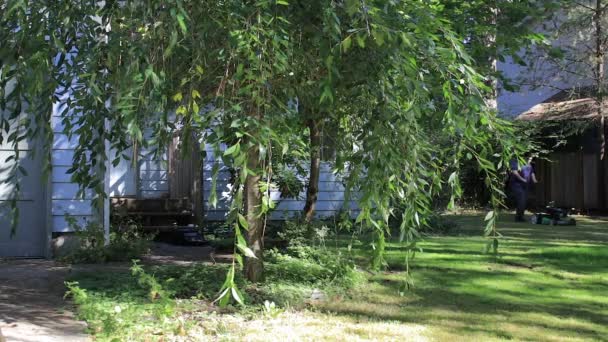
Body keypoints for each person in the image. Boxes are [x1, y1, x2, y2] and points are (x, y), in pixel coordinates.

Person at [508, 153, 538, 222]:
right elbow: (515, 172)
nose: (529, 160)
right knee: (521, 200)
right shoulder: (517, 163)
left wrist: (535, 180)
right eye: (528, 158)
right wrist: (522, 179)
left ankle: (520, 217)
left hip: (525, 186)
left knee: (524, 201)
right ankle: (518, 217)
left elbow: (532, 173)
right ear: (524, 158)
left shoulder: (529, 165)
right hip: (517, 185)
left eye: (530, 159)